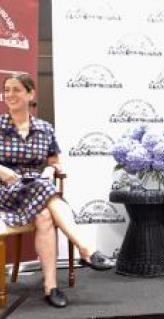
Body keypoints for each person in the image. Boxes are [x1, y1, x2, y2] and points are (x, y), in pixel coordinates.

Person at [0, 73, 114, 308]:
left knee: (44, 215)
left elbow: (54, 161)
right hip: (5, 190)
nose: (9, 95)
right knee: (45, 191)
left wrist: (51, 171)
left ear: (30, 94)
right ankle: (86, 247)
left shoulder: (44, 128)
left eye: (16, 90)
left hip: (34, 190)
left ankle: (50, 286)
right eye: (7, 90)